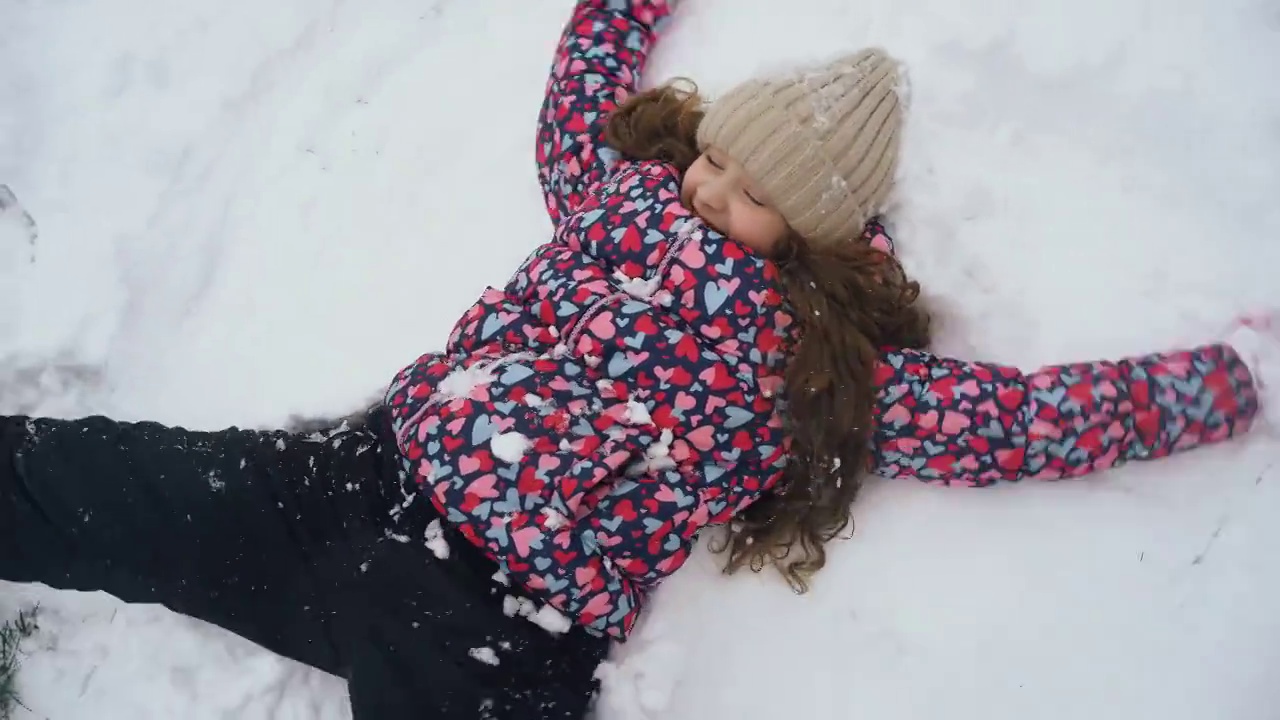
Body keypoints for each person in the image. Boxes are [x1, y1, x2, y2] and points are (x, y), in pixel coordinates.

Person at [2, 0, 1276, 718]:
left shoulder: (822, 372)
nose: (717, 189)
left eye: (757, 189)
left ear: (822, 234)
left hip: (495, 625)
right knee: (84, 484)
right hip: (359, 479)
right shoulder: (617, 195)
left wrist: (1223, 385)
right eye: (718, 155)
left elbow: (1028, 422)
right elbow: (574, 94)